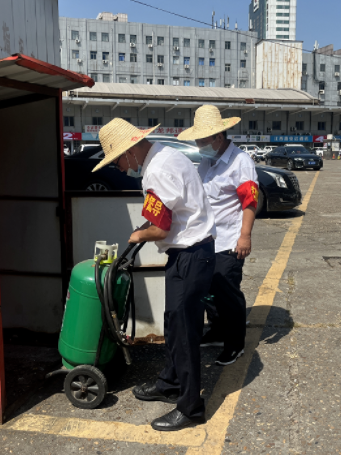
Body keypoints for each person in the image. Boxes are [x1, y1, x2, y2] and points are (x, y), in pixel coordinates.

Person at [93, 119, 216, 432]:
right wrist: (144, 229)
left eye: (118, 160)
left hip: (191, 254)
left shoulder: (156, 171)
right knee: (174, 324)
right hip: (189, 253)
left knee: (185, 332)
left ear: (132, 150)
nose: (120, 169)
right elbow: (164, 215)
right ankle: (170, 382)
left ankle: (190, 408)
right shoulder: (166, 155)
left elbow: (160, 228)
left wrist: (138, 236)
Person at [177, 105, 258, 366]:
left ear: (218, 137)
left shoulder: (240, 162)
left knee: (227, 292)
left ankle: (235, 344)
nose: (199, 144)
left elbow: (250, 203)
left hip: (229, 240)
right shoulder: (207, 162)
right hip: (207, 239)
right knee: (209, 289)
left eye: (202, 139)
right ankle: (218, 331)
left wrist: (244, 236)